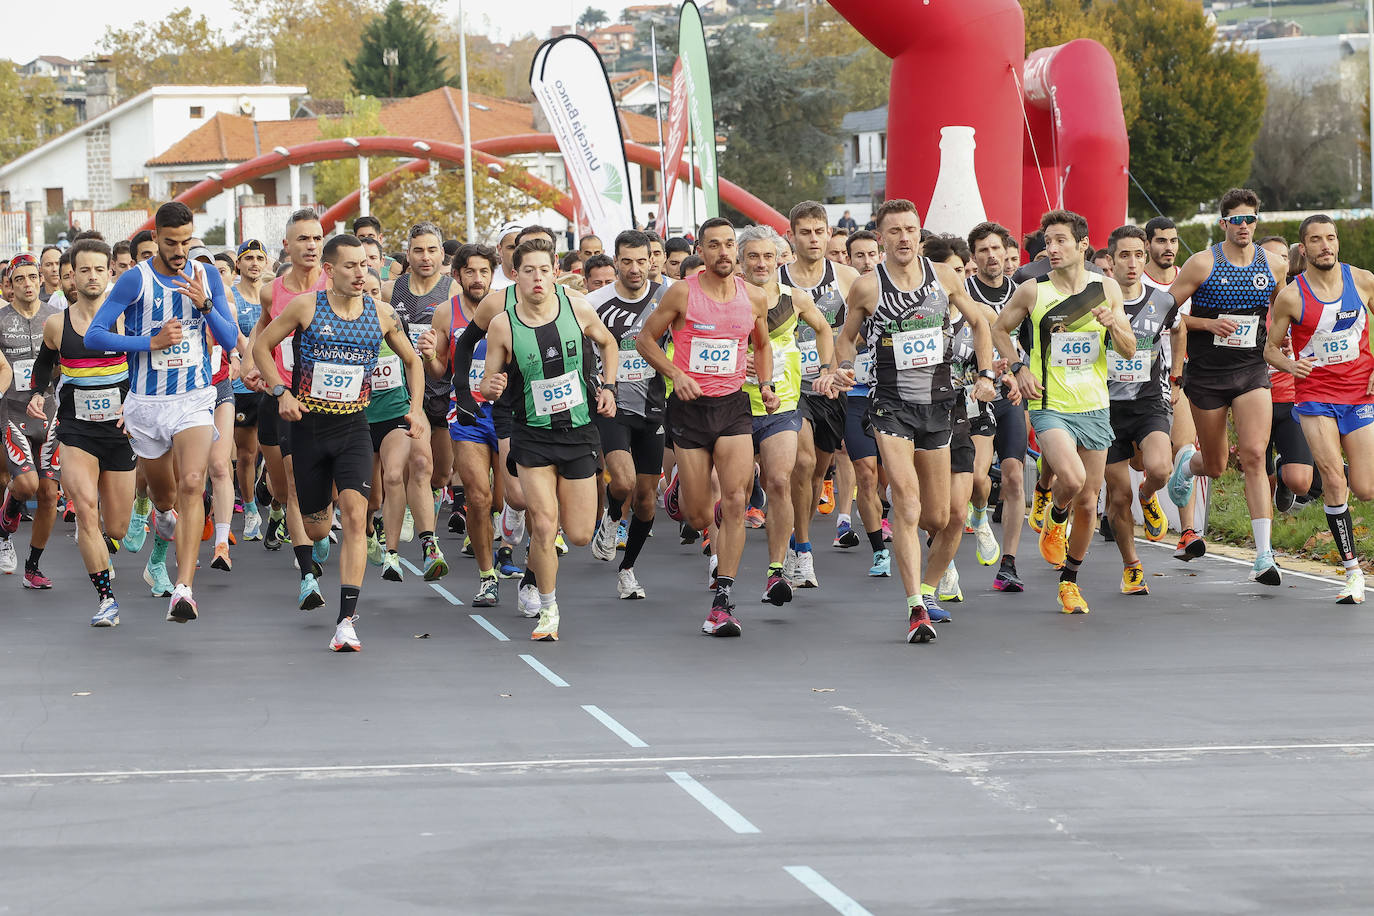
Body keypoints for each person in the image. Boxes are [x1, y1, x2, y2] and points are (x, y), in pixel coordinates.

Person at [253, 234, 426, 651]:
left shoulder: (382, 315)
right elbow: (261, 346)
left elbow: (413, 360)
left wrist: (416, 408)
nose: (359, 272)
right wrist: (281, 392)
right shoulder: (306, 308)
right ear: (328, 271)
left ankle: (346, 619)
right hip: (307, 427)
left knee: (354, 515)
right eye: (349, 266)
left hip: (353, 427)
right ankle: (291, 502)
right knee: (315, 527)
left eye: (364, 265)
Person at [837, 200, 997, 641]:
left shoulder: (945, 278)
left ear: (919, 235)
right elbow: (846, 338)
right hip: (890, 405)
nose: (903, 238)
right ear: (881, 237)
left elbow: (981, 325)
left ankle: (928, 588)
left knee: (944, 516)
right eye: (894, 232)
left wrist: (985, 374)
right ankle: (914, 608)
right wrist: (842, 367)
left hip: (939, 407)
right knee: (906, 504)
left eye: (910, 230)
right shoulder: (868, 288)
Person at [85, 202, 241, 622]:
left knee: (194, 481)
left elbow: (231, 341)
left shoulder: (205, 274)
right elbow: (95, 335)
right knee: (166, 496)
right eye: (171, 243)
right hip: (147, 405)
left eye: (186, 242)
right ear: (156, 237)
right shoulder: (136, 280)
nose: (179, 251)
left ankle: (184, 590)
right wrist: (148, 342)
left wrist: (207, 305)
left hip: (194, 398)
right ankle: (159, 519)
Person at [636, 217, 779, 637]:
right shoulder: (683, 292)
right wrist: (674, 374)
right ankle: (682, 491)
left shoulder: (754, 297)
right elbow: (646, 340)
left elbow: (763, 343)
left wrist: (766, 384)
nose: (723, 252)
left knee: (734, 501)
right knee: (701, 515)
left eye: (729, 245)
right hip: (688, 409)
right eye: (714, 245)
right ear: (702, 250)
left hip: (733, 406)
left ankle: (723, 600)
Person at [991, 209, 1134, 615]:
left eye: (1059, 241)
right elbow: (999, 330)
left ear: (1082, 245)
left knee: (1089, 501)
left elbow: (1127, 349)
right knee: (1070, 479)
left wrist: (1114, 324)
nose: (1050, 249)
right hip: (1049, 403)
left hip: (1094, 405)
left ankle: (1069, 581)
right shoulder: (1032, 290)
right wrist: (1018, 368)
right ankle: (1055, 515)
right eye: (1046, 241)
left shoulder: (1105, 288)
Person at [479, 237, 619, 641]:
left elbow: (607, 342)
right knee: (544, 524)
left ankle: (537, 565)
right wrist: (491, 385)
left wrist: (607, 386)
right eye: (528, 271)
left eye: (544, 269)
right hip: (532, 434)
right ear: (514, 275)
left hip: (578, 431)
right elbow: (489, 383)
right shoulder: (503, 324)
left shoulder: (577, 307)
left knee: (576, 534)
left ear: (555, 270)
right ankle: (548, 609)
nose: (537, 278)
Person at [1166, 188, 1287, 585]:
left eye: (1251, 219)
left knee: (1254, 454)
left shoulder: (1272, 264)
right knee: (1216, 466)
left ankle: (1264, 555)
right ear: (1223, 224)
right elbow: (1168, 310)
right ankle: (1188, 463)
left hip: (1251, 369)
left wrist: (1282, 339)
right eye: (1237, 219)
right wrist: (1208, 322)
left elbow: (1281, 310)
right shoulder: (1202, 264)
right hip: (1207, 374)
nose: (1245, 226)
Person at [25, 238, 135, 624]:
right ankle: (106, 599)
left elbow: (146, 368)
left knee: (117, 525)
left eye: (99, 269)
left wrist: (137, 407)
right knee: (86, 511)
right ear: (71, 275)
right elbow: (43, 365)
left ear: (111, 273)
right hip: (76, 432)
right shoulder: (58, 324)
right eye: (83, 270)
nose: (91, 276)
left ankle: (106, 543)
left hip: (120, 434)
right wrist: (38, 393)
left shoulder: (126, 319)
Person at [1265, 214, 1374, 604]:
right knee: (1333, 478)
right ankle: (1353, 572)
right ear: (1303, 248)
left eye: (1330, 238)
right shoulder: (1292, 296)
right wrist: (1290, 365)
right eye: (1316, 240)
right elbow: (1270, 348)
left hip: (1359, 395)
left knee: (1365, 487)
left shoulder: (1361, 280)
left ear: (1337, 242)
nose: (1324, 245)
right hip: (1314, 398)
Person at [737, 224, 843, 605]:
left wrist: (828, 369)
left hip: (782, 401)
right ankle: (720, 555)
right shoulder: (727, 298)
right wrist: (737, 359)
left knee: (786, 475)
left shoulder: (793, 299)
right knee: (730, 492)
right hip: (732, 403)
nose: (762, 263)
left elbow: (824, 329)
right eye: (754, 256)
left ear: (779, 258)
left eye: (769, 256)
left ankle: (788, 560)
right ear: (741, 260)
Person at [243, 209, 331, 605]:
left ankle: (312, 530)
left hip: (330, 400)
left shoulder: (339, 284)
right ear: (288, 246)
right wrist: (250, 365)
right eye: (303, 239)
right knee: (289, 484)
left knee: (317, 486)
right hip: (282, 397)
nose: (311, 246)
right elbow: (262, 330)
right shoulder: (272, 291)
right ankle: (308, 573)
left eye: (316, 238)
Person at [779, 201, 861, 589]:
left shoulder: (846, 277)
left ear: (829, 233)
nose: (813, 239)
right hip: (787, 386)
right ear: (791, 236)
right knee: (803, 459)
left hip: (832, 386)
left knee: (815, 472)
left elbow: (861, 331)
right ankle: (805, 551)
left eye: (819, 231)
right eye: (805, 232)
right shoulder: (774, 278)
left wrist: (843, 365)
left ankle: (799, 538)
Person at [585, 230, 669, 600]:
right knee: (623, 481)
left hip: (653, 406)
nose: (635, 269)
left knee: (647, 499)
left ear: (652, 260)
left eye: (642, 260)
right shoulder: (595, 302)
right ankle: (612, 512)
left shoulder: (667, 297)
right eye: (627, 261)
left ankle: (627, 570)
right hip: (611, 404)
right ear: (615, 261)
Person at [424, 243, 504, 607]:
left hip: (508, 414)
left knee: (507, 500)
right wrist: (429, 357)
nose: (477, 279)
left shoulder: (509, 308)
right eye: (470, 272)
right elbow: (439, 370)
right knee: (478, 496)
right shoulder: (446, 312)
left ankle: (510, 544)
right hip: (466, 412)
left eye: (484, 272)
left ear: (493, 274)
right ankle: (488, 576)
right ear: (457, 275)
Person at [1101, 225, 1180, 594]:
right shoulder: (1095, 304)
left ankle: (1149, 496)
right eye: (1123, 256)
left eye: (1138, 255)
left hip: (1149, 400)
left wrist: (1176, 373)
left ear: (1145, 255)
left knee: (1161, 468)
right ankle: (1131, 565)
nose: (1132, 264)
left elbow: (1178, 330)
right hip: (1106, 406)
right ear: (1110, 262)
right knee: (1118, 497)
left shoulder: (1162, 301)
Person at [364, 268, 447, 584]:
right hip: (358, 420)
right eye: (363, 292)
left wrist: (415, 408)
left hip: (394, 415)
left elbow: (415, 365)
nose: (368, 298)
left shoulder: (393, 328)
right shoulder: (345, 331)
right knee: (372, 498)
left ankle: (407, 551)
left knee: (398, 473)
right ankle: (371, 529)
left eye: (374, 292)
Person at [964, 221, 1027, 589]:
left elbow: (1032, 345)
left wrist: (1023, 375)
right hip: (974, 395)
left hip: (1011, 396)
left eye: (996, 249)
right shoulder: (965, 294)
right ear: (974, 257)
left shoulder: (1023, 293)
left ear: (1007, 253)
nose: (991, 256)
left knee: (1015, 475)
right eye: (983, 250)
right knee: (977, 478)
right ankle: (978, 512)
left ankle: (1009, 563)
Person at [384, 223, 456, 525]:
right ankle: (415, 508)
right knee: (420, 461)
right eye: (418, 250)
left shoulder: (454, 291)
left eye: (431, 250)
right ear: (408, 254)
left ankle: (432, 492)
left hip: (441, 386)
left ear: (441, 253)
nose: (425, 257)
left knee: (442, 473)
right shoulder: (391, 290)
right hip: (404, 389)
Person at [0, 253, 62, 586]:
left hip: (49, 411)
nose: (27, 284)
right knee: (27, 485)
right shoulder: (0, 320)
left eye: (32, 277)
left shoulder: (56, 317)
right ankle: (8, 515)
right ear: (10, 285)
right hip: (12, 410)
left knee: (50, 494)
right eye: (19, 279)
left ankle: (32, 567)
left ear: (40, 280)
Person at [230, 239, 269, 541]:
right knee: (246, 453)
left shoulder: (273, 296)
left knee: (276, 450)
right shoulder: (231, 297)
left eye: (260, 258)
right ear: (238, 264)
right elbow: (237, 339)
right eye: (248, 258)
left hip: (271, 382)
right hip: (242, 384)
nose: (254, 263)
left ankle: (272, 495)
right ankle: (251, 508)